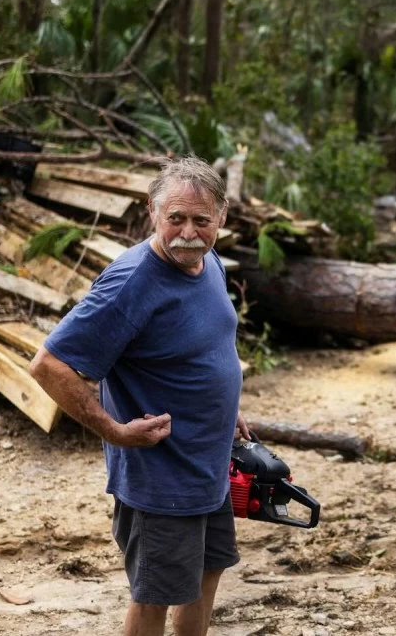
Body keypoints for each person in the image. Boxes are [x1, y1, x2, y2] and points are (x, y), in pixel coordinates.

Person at [29, 156, 248, 636]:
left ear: (222, 217)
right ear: (152, 211)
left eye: (201, 220)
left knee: (207, 574)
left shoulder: (207, 261)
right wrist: (114, 430)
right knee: (154, 595)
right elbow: (48, 365)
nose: (188, 232)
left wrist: (229, 409)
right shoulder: (132, 281)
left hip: (207, 464)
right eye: (176, 219)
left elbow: (209, 341)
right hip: (161, 478)